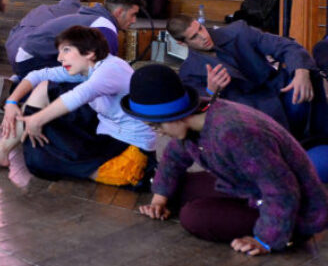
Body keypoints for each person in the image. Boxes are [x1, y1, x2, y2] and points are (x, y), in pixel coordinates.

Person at [124, 64, 328, 256]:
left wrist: (266, 239)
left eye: (156, 126)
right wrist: (159, 199)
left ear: (173, 116)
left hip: (297, 208)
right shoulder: (197, 117)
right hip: (250, 186)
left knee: (194, 217)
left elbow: (282, 188)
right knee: (178, 189)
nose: (158, 134)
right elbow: (173, 158)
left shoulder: (233, 132)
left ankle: (287, 231)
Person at [0, 26, 156, 187]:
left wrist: (36, 119)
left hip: (127, 146)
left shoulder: (110, 69)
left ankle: (93, 169)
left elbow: (77, 96)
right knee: (45, 88)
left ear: (89, 52)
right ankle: (1, 150)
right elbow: (39, 75)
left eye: (66, 50)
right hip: (105, 133)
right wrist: (12, 102)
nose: (60, 58)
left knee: (42, 154)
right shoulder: (87, 67)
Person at [169, 15, 328, 142]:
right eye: (194, 37)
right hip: (248, 111)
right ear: (182, 43)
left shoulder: (239, 31)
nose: (203, 36)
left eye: (201, 29)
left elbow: (285, 46)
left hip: (277, 88)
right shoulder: (188, 73)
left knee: (307, 73)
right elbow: (198, 113)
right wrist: (211, 91)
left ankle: (320, 138)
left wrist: (301, 71)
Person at [12, 0, 145, 77]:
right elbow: (101, 73)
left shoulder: (92, 16)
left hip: (25, 58)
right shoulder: (105, 27)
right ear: (119, 12)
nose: (134, 20)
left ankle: (22, 84)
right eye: (133, 14)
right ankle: (23, 90)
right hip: (33, 61)